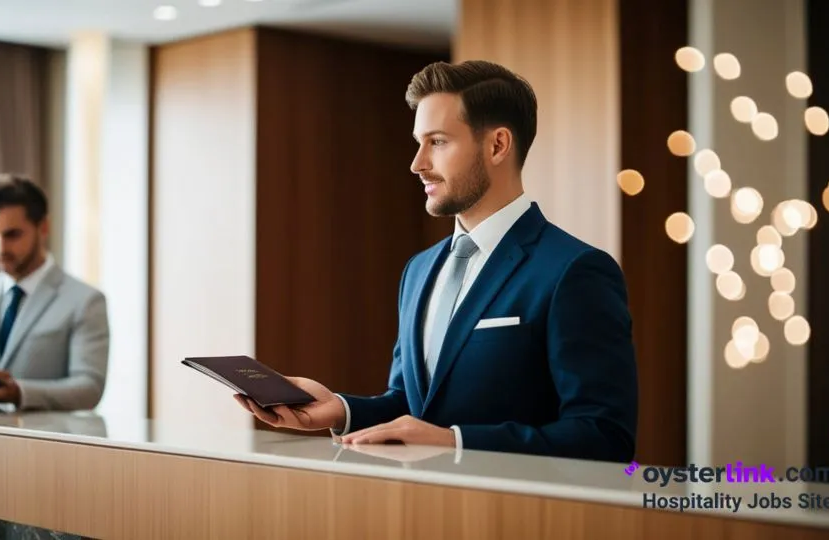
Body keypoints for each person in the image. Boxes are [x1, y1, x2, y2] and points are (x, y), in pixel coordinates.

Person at [236, 60, 638, 462]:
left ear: (497, 145)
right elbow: (414, 408)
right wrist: (341, 410)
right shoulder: (419, 270)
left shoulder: (574, 270)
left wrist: (456, 442)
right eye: (418, 141)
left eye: (438, 142)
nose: (417, 163)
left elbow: (604, 436)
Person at [0, 173, 109, 411]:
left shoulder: (85, 301)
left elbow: (89, 387)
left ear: (43, 227)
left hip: (47, 445)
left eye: (12, 235)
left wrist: (18, 392)